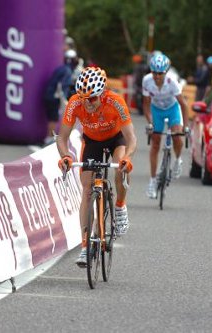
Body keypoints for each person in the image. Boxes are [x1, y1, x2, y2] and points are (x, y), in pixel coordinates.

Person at [57, 66, 137, 267]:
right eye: (84, 98)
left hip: (116, 139)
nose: (88, 103)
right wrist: (65, 156)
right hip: (92, 142)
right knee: (86, 190)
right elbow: (62, 138)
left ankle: (120, 206)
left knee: (119, 168)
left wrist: (127, 158)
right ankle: (85, 246)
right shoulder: (75, 103)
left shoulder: (116, 102)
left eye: (92, 99)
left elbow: (132, 139)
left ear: (102, 94)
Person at [142, 52, 189, 199]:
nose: (156, 76)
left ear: (166, 72)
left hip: (173, 109)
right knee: (155, 143)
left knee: (177, 136)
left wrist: (185, 127)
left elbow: (184, 105)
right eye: (154, 73)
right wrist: (150, 123)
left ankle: (178, 159)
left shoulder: (172, 82)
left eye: (160, 73)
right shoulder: (146, 81)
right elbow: (146, 105)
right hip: (157, 111)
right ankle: (152, 181)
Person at [43, 49, 79, 142]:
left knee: (53, 117)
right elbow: (62, 86)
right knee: (54, 118)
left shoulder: (61, 68)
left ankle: (50, 137)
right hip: (54, 96)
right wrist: (65, 100)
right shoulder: (67, 71)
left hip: (50, 95)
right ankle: (50, 138)